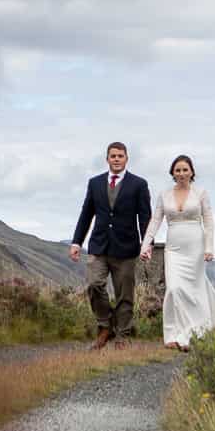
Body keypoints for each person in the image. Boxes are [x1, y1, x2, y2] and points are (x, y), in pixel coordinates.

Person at [69, 141, 152, 350]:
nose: (116, 159)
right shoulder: (95, 183)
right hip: (99, 245)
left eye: (120, 156)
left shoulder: (139, 184)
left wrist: (147, 244)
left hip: (126, 248)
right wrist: (77, 241)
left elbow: (145, 217)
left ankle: (122, 335)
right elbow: (86, 214)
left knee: (125, 294)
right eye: (113, 156)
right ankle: (105, 326)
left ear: (126, 158)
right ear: (107, 159)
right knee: (94, 285)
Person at [142, 153, 215, 351]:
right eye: (178, 170)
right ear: (172, 173)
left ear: (191, 172)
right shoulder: (164, 195)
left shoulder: (201, 193)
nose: (181, 173)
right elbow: (155, 221)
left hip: (196, 248)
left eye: (185, 170)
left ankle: (193, 333)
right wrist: (146, 245)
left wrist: (209, 248)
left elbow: (208, 221)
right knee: (174, 289)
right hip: (173, 248)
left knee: (195, 290)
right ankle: (172, 334)